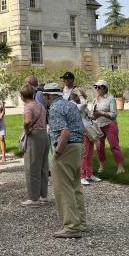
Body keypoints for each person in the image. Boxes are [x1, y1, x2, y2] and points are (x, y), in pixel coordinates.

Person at [42, 82, 86, 238]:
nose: (45, 100)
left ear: (48, 96)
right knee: (75, 186)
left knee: (63, 188)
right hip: (78, 146)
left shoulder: (54, 108)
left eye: (45, 97)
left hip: (65, 149)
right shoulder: (70, 105)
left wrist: (57, 153)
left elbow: (64, 133)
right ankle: (80, 222)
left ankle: (72, 227)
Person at [19, 84, 49, 207]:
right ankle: (43, 195)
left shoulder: (28, 107)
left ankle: (33, 198)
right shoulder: (40, 105)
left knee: (31, 167)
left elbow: (27, 121)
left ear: (22, 96)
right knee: (43, 166)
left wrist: (27, 129)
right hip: (43, 134)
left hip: (34, 136)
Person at [92, 80, 125, 174]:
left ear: (105, 88)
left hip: (110, 124)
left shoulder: (110, 99)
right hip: (98, 125)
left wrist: (101, 113)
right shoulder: (95, 100)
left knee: (114, 146)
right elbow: (93, 115)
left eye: (99, 87)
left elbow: (114, 114)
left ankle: (120, 167)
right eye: (96, 87)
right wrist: (94, 115)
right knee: (99, 147)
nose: (97, 89)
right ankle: (101, 166)